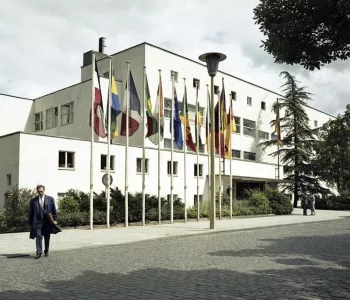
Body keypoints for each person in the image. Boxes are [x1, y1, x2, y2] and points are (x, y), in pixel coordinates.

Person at [28, 184, 60, 259]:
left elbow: (53, 210)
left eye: (41, 191)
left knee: (47, 237)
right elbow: (31, 213)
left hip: (47, 221)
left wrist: (55, 219)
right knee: (38, 236)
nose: (40, 193)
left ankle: (46, 251)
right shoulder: (33, 201)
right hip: (37, 221)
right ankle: (38, 252)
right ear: (37, 191)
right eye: (39, 191)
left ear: (44, 190)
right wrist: (30, 223)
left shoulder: (50, 199)